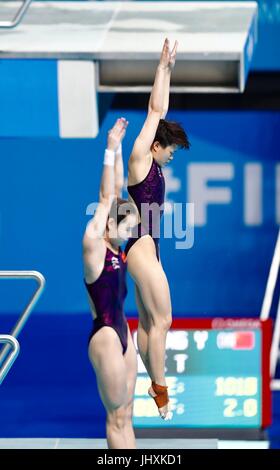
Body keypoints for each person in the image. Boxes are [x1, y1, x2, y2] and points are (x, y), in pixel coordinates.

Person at [124, 38, 190, 420]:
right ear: (155, 145)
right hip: (140, 247)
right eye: (170, 150)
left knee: (150, 321)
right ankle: (160, 389)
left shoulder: (154, 168)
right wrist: (163, 68)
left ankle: (153, 380)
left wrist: (167, 70)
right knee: (164, 319)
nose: (171, 156)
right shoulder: (139, 159)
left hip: (147, 246)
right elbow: (155, 108)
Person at [82, 118, 138, 449]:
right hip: (104, 335)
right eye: (127, 227)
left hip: (122, 330)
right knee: (115, 417)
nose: (129, 234)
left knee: (127, 413)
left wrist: (118, 156)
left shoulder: (116, 245)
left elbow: (116, 193)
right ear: (110, 225)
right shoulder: (94, 246)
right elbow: (106, 199)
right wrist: (109, 150)